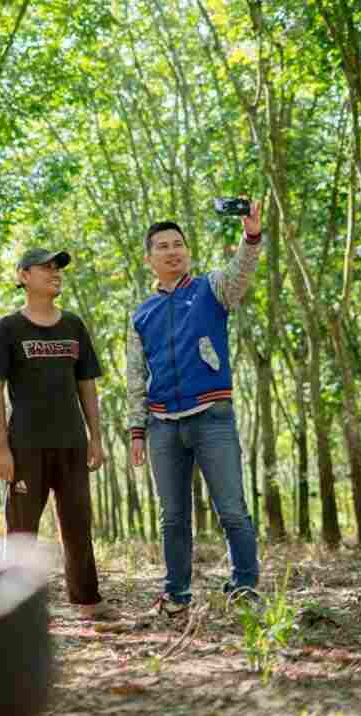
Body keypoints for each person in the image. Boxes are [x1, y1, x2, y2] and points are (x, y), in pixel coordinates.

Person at [126, 202, 265, 617]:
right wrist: (137, 430)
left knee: (232, 510)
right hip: (162, 426)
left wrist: (251, 235)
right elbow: (136, 376)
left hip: (212, 417)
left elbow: (242, 270)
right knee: (172, 518)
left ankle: (244, 588)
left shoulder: (212, 288)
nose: (173, 251)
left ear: (187, 251)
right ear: (149, 258)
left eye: (179, 244)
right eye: (163, 246)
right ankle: (176, 595)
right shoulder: (141, 315)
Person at [0, 248, 110, 620]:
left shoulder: (73, 325)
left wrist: (96, 438)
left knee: (78, 523)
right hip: (25, 446)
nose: (55, 273)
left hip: (72, 444)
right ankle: (15, 610)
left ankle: (87, 600)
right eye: (46, 268)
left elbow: (87, 385)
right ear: (23, 276)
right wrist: (2, 448)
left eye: (58, 268)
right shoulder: (8, 329)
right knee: (22, 529)